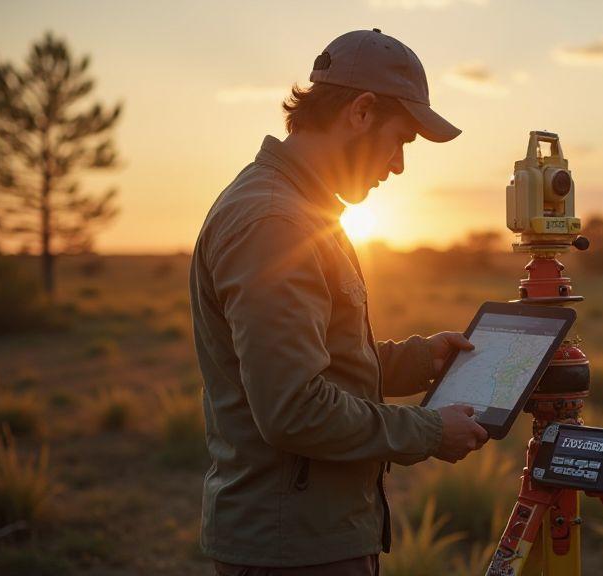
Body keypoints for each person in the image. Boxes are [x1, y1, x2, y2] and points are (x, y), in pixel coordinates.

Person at [189, 29, 489, 576]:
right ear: (361, 111)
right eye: (400, 140)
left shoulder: (302, 210)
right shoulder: (276, 221)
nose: (398, 165)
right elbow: (294, 409)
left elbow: (318, 365)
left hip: (312, 534)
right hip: (294, 549)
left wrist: (423, 361)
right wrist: (428, 431)